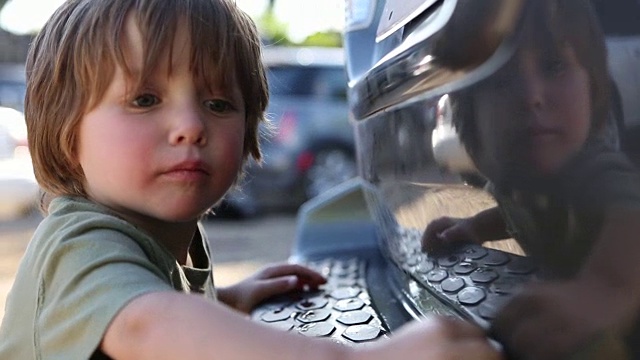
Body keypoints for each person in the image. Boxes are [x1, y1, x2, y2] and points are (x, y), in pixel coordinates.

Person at [0, 0, 503, 359]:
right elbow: (141, 325)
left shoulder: (161, 237)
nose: (191, 126)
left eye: (218, 104)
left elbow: (159, 310)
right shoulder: (79, 242)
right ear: (68, 134)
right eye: (145, 100)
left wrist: (223, 304)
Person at [423, 0, 640, 359]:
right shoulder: (517, 181)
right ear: (470, 115)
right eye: (501, 79)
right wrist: (471, 228)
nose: (531, 97)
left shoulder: (591, 169)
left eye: (554, 66)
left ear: (594, 86)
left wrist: (607, 288)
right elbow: (513, 213)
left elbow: (632, 215)